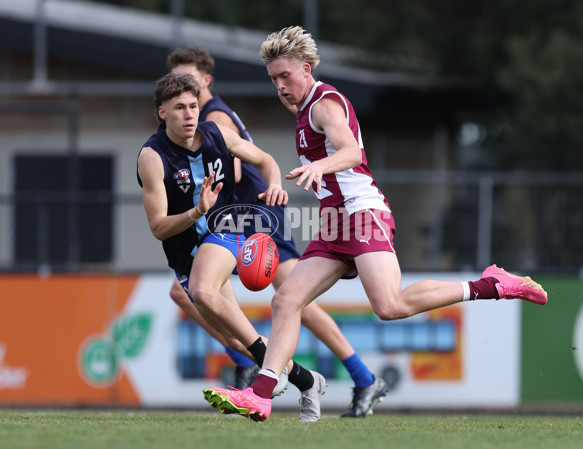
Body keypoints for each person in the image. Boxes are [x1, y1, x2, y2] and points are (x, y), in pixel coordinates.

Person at [202, 26, 549, 422]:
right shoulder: (301, 107)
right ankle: (261, 395)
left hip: (363, 213)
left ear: (307, 68)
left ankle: (492, 284)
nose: (280, 85)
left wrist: (319, 165)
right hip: (335, 222)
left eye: (286, 76)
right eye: (273, 78)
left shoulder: (324, 104)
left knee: (390, 305)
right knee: (286, 299)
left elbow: (351, 151)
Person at [166, 46, 388, 417]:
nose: (182, 90)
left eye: (188, 81)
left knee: (281, 296)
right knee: (213, 292)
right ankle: (346, 375)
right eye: (176, 83)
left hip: (251, 213)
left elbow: (231, 174)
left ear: (205, 81)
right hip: (235, 215)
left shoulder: (215, 118)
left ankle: (257, 362)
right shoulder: (198, 118)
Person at [137, 72, 326, 422]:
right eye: (179, 108)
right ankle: (306, 380)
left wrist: (273, 185)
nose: (190, 114)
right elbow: (158, 228)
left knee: (202, 291)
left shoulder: (217, 133)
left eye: (194, 105)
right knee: (240, 341)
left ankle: (264, 386)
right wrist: (196, 210)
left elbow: (265, 159)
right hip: (186, 252)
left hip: (227, 229)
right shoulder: (152, 156)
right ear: (162, 112)